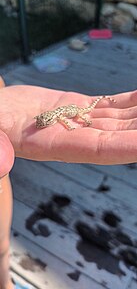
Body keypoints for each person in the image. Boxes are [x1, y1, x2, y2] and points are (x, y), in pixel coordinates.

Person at [0, 76, 137, 289]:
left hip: (75, 111)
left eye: (43, 122)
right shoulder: (50, 116)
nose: (41, 123)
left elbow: (63, 118)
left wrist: (81, 120)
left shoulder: (58, 117)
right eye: (42, 121)